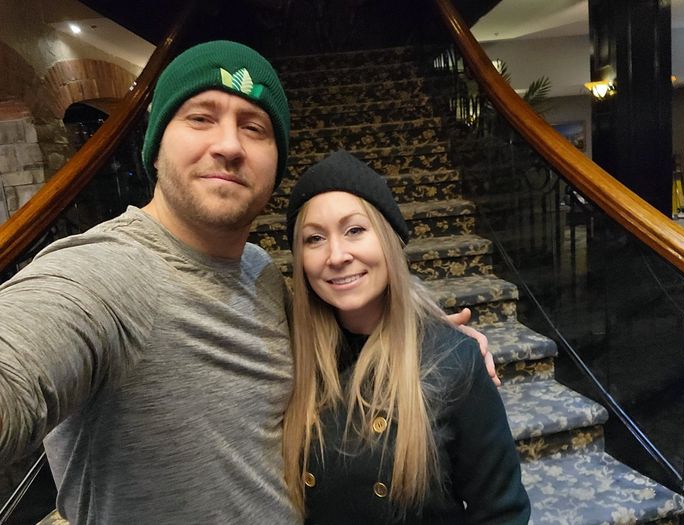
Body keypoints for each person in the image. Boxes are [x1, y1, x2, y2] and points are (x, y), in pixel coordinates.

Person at [0, 41, 497, 524]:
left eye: (254, 127)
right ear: (155, 146)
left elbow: (337, 324)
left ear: (275, 165)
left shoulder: (261, 272)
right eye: (201, 118)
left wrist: (429, 340)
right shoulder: (105, 272)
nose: (229, 146)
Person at [283, 150, 530, 524]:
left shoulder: (455, 362)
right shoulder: (288, 353)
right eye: (314, 238)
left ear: (389, 240)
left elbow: (502, 513)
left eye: (355, 230)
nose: (336, 255)